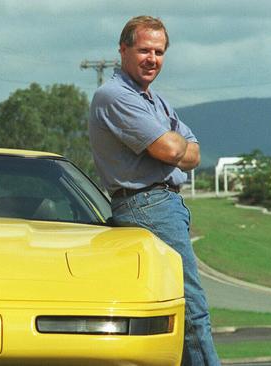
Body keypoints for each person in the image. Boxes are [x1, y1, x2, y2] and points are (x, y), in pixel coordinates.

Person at [88, 16, 219, 365]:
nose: (152, 59)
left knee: (174, 309)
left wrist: (173, 143)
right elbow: (173, 151)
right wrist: (171, 142)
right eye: (144, 49)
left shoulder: (155, 101)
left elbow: (194, 152)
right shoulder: (113, 95)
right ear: (123, 49)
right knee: (191, 308)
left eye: (159, 52)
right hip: (147, 203)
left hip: (163, 203)